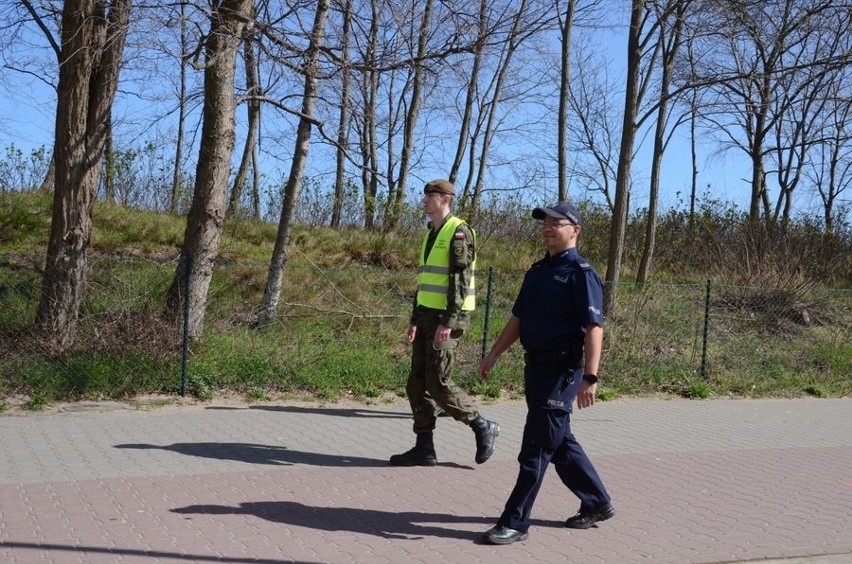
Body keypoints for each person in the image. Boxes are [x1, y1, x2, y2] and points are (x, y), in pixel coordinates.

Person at [478, 201, 614, 545]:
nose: (548, 228)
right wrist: (493, 353)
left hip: (562, 370)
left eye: (557, 223)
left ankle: (515, 522)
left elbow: (594, 327)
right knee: (559, 440)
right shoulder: (537, 272)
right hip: (535, 367)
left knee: (536, 448)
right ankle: (597, 502)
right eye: (545, 223)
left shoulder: (582, 274)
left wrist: (591, 377)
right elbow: (518, 319)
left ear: (575, 230)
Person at [389, 179, 499, 467]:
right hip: (426, 315)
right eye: (424, 195)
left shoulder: (459, 231)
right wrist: (415, 318)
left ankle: (482, 425)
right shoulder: (431, 232)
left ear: (446, 199)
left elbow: (460, 281)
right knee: (416, 384)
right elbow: (425, 281)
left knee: (438, 383)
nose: (424, 200)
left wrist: (449, 321)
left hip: (447, 318)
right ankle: (424, 448)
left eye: (431, 195)